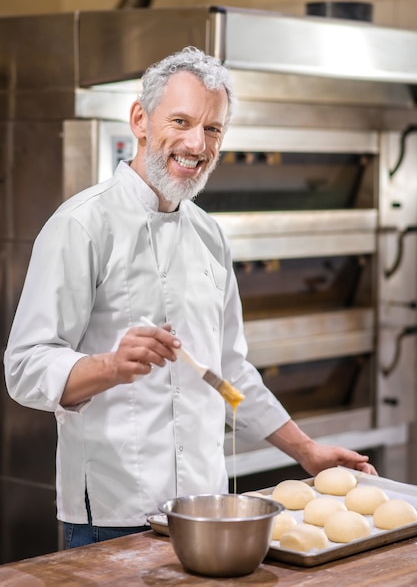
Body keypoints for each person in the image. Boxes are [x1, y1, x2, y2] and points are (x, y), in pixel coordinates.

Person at [4, 46, 376, 549]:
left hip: (207, 509)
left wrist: (304, 449)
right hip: (114, 512)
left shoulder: (209, 236)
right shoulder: (80, 226)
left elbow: (228, 376)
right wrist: (112, 366)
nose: (196, 143)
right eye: (180, 121)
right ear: (140, 119)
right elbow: (25, 367)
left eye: (213, 128)